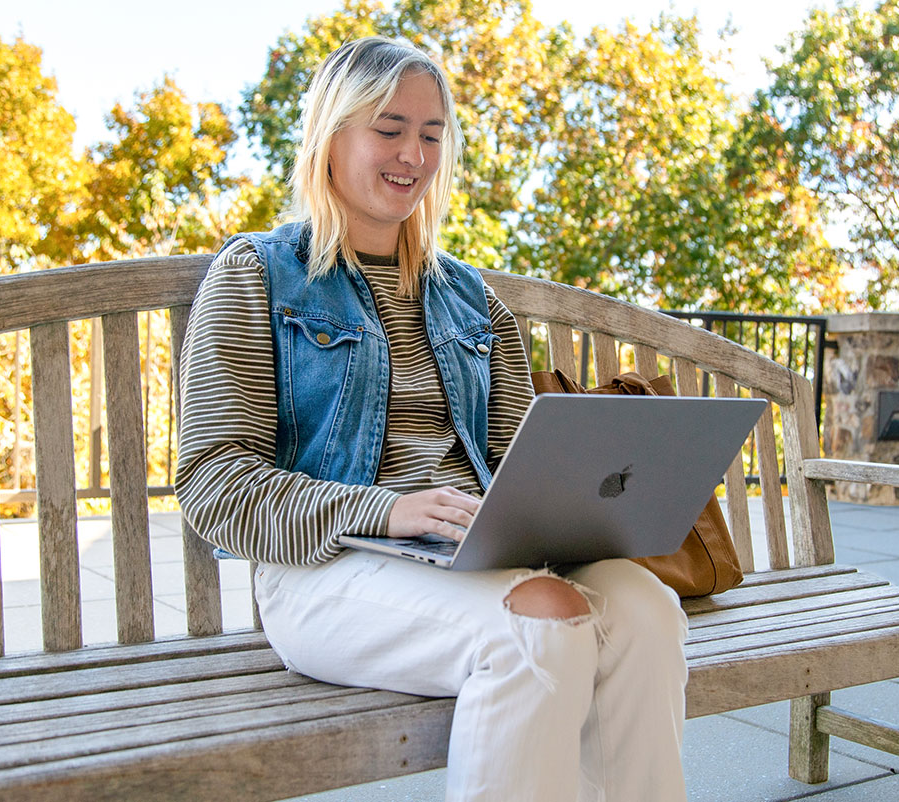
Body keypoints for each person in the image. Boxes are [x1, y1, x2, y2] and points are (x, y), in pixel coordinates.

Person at [176, 36, 689, 802]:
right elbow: (213, 484)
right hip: (326, 570)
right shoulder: (258, 276)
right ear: (332, 133)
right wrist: (386, 511)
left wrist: (582, 502)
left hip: (476, 560)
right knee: (540, 624)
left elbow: (525, 457)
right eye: (390, 129)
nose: (413, 154)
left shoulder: (470, 299)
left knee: (650, 609)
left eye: (431, 134)